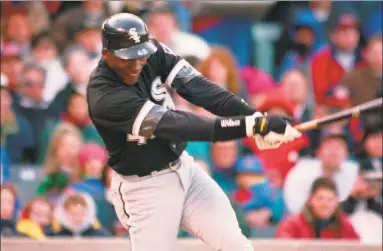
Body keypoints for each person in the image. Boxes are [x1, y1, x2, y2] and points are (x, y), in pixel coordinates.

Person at [87, 13, 301, 251]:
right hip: (145, 189)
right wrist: (252, 127)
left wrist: (255, 117)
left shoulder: (154, 50)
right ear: (107, 54)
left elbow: (199, 89)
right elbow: (179, 125)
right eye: (128, 59)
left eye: (141, 55)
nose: (137, 64)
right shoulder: (105, 96)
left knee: (235, 245)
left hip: (184, 169)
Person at [276, 177, 359, 240]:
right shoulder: (292, 224)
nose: (325, 204)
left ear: (337, 202)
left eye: (330, 199)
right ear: (310, 200)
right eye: (320, 198)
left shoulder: (344, 224)